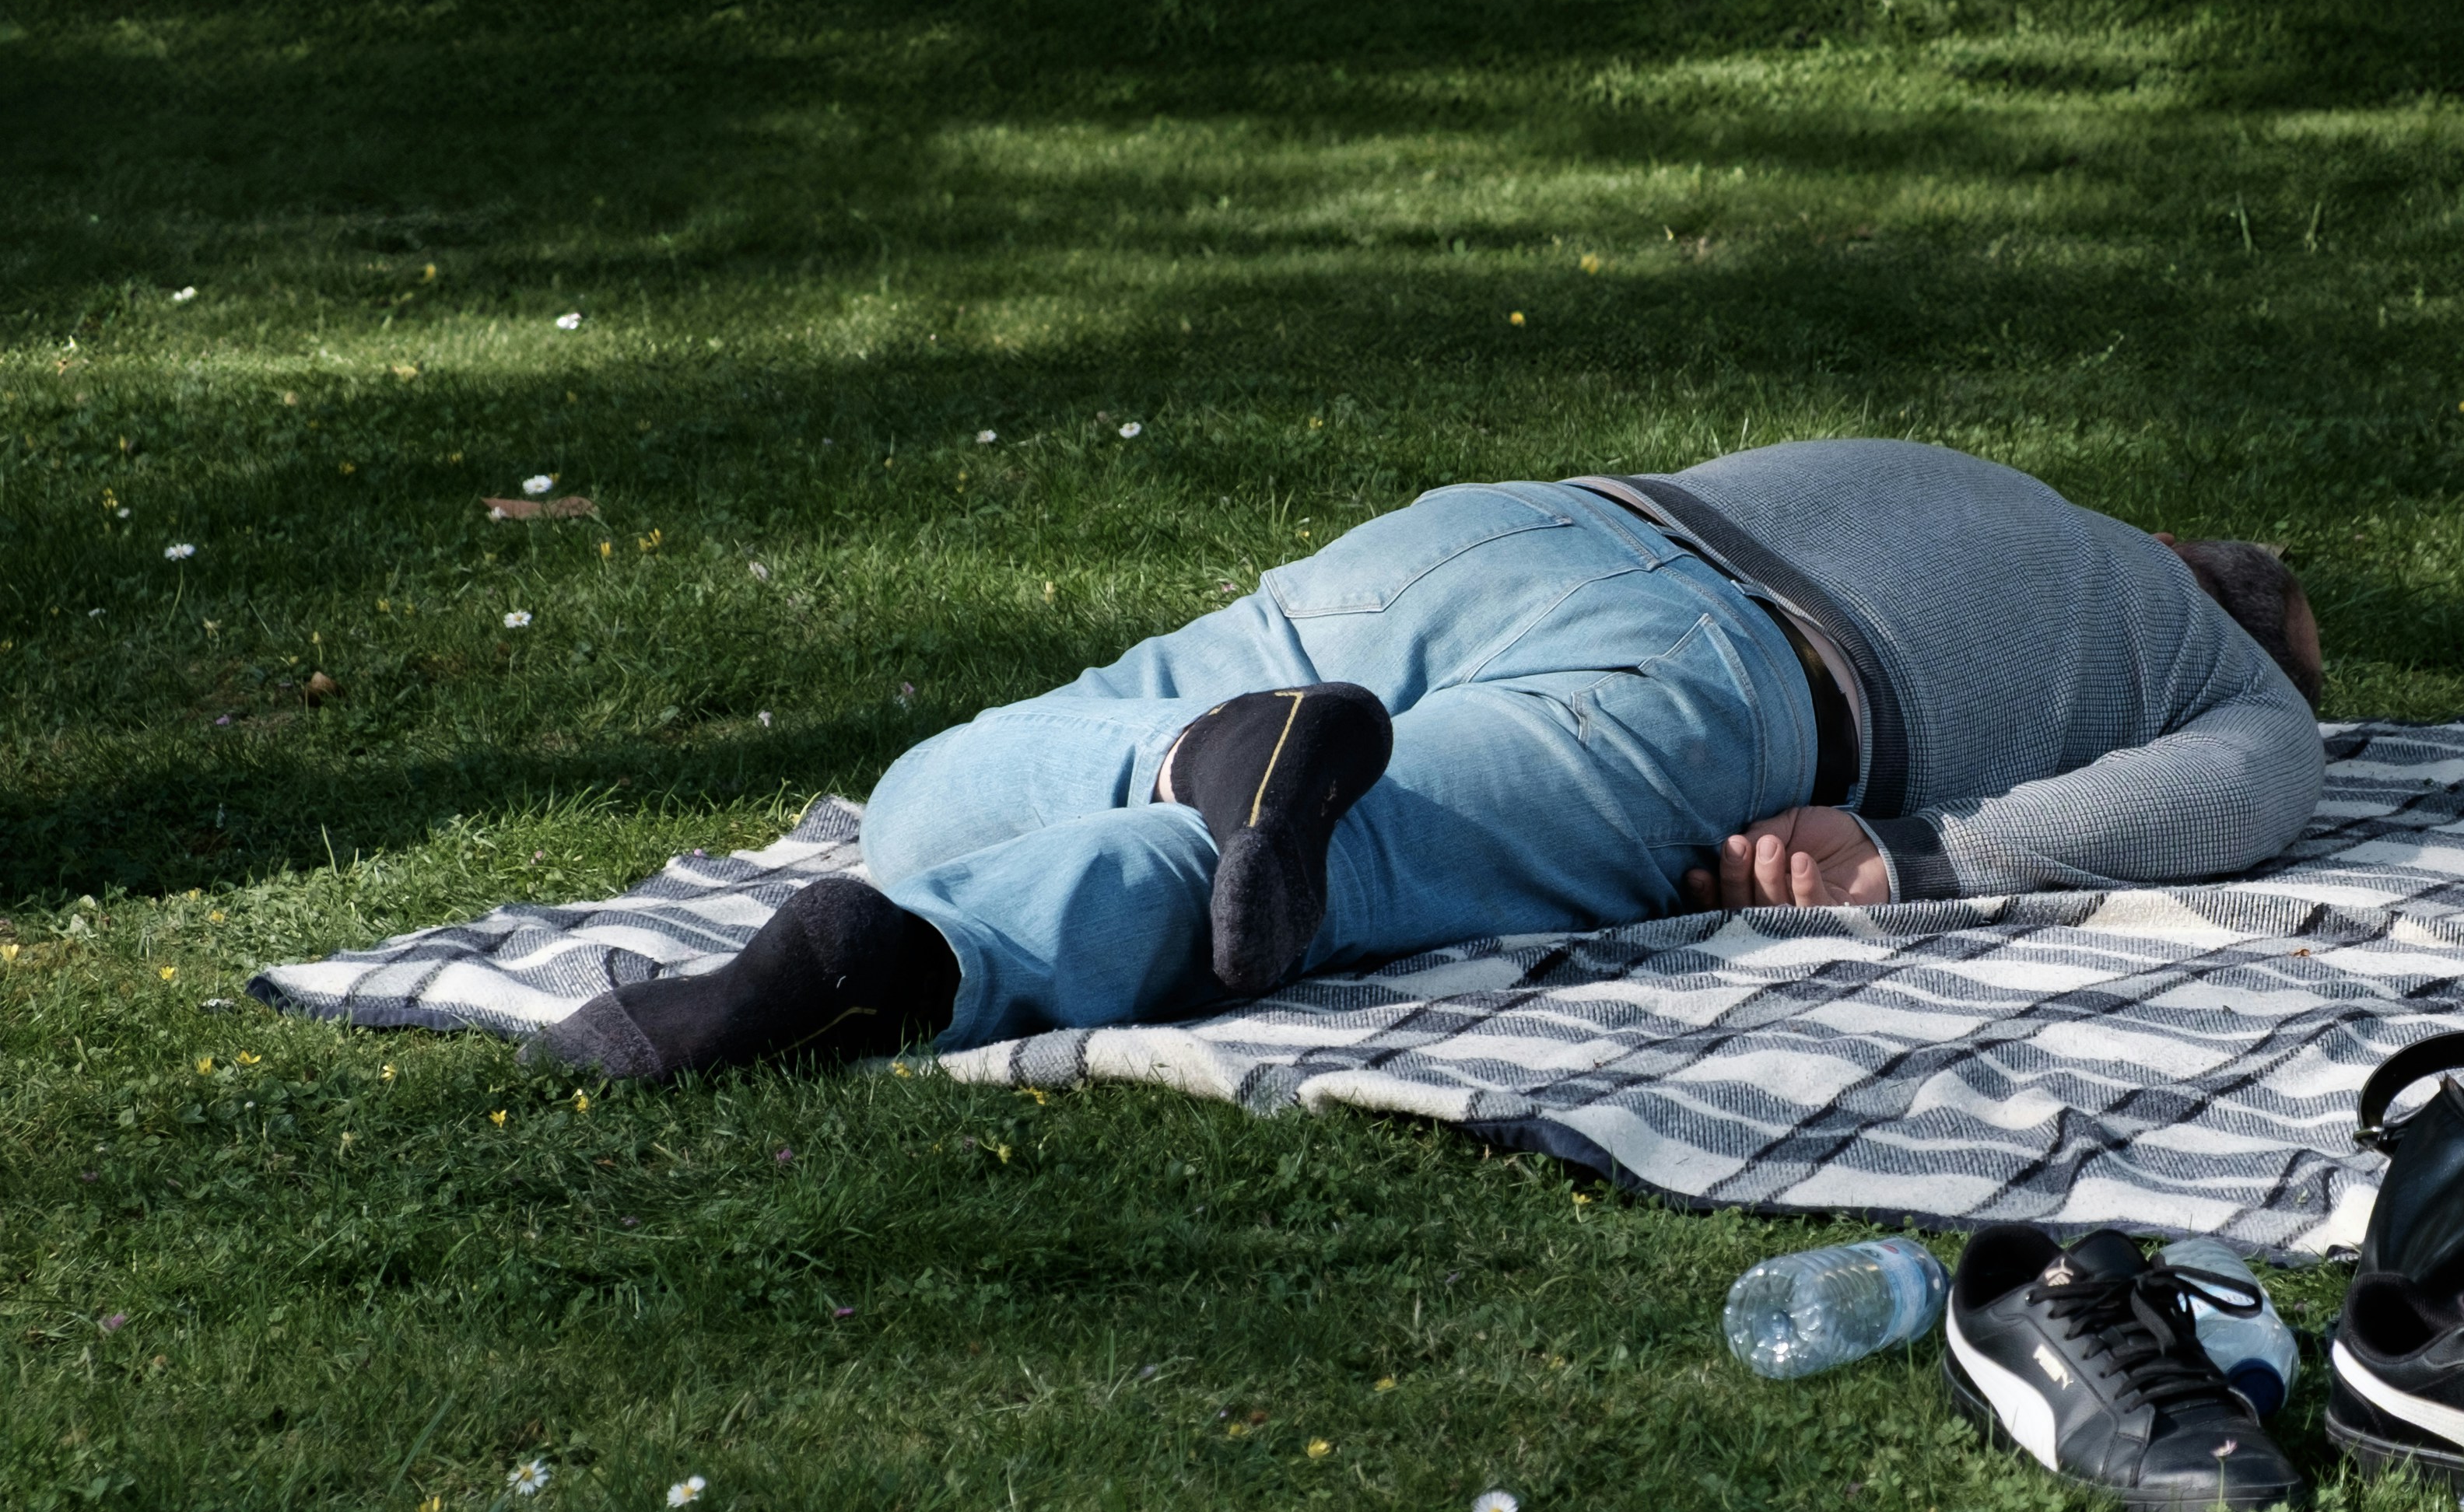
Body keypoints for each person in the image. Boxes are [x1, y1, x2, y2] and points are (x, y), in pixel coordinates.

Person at [542, 437, 2325, 1080]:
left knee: (978, 770)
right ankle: (910, 964)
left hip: (1506, 535)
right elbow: (2246, 787)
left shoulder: (1972, 474)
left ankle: (1179, 761)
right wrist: (1905, 862)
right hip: (1724, 679)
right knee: (1346, 868)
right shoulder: (2210, 657)